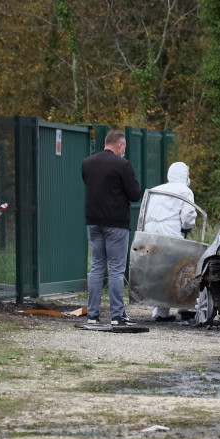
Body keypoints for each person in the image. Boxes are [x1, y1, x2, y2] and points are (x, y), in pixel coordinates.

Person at [82, 129, 142, 328]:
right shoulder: (122, 165)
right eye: (124, 147)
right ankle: (117, 315)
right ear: (120, 145)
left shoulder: (87, 163)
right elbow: (135, 194)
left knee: (97, 266)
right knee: (116, 269)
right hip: (116, 223)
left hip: (93, 221)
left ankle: (92, 315)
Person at [143, 161, 197, 321]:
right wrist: (187, 227)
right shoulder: (185, 191)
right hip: (170, 231)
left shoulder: (156, 189)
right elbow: (188, 216)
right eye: (188, 175)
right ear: (184, 175)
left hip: (150, 232)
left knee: (159, 269)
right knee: (182, 267)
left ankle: (160, 311)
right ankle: (185, 307)